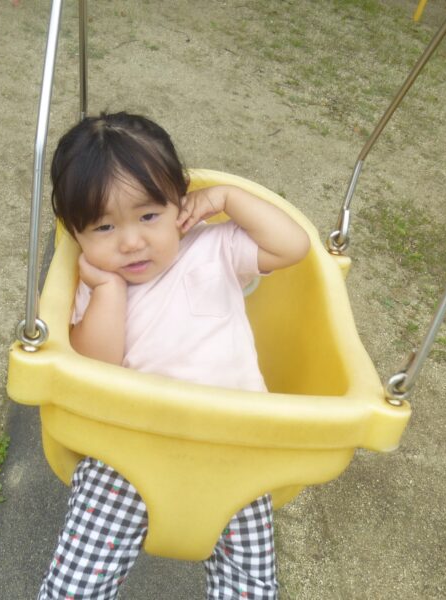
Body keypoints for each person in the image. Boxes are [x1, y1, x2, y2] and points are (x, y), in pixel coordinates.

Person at [38, 112, 310, 600]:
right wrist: (109, 292)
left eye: (149, 216)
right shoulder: (96, 286)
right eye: (103, 227)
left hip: (237, 449)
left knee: (249, 586)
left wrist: (227, 198)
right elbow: (93, 367)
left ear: (180, 204)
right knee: (76, 585)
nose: (131, 242)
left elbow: (294, 246)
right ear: (75, 235)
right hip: (129, 450)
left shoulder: (217, 247)